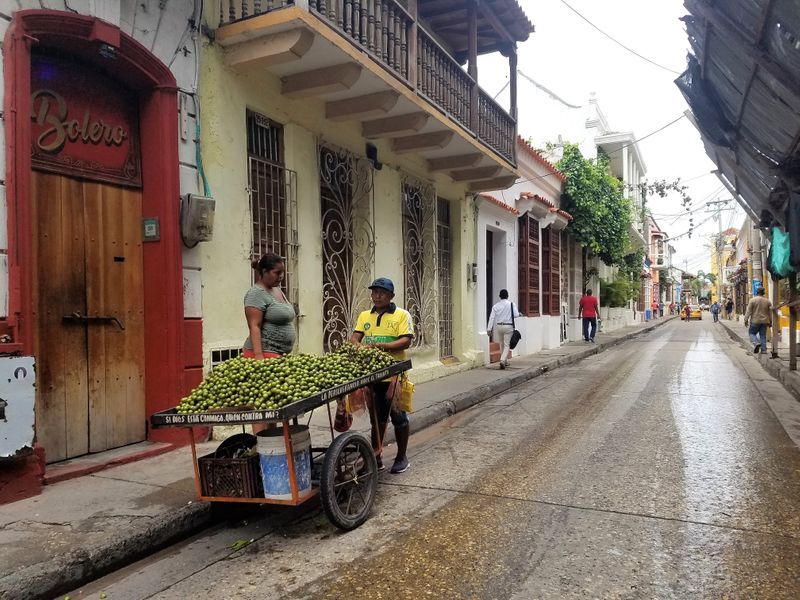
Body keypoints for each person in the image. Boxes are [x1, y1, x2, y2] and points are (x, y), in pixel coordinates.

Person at [351, 277, 414, 474]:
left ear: (391, 296)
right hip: (372, 376)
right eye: (374, 292)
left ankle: (401, 457)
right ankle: (375, 458)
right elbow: (355, 338)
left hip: (395, 375)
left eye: (382, 292)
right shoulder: (364, 316)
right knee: (376, 420)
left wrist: (382, 347)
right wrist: (359, 347)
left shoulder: (402, 315)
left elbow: (406, 341)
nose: (377, 296)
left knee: (399, 418)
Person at [243, 253, 296, 359]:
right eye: (277, 273)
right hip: (263, 354)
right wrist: (258, 356)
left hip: (279, 354)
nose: (281, 276)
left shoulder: (276, 289)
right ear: (264, 272)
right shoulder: (256, 294)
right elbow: (254, 326)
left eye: (282, 272)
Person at [487, 289, 522, 369]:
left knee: (501, 344)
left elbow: (491, 318)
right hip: (508, 326)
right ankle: (502, 360)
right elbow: (516, 315)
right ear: (507, 296)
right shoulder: (511, 304)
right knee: (507, 345)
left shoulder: (495, 306)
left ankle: (505, 361)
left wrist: (489, 329)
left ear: (500, 296)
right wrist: (519, 314)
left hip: (499, 326)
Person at [744, 287, 779, 355]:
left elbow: (748, 311)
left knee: (751, 333)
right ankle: (763, 350)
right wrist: (770, 321)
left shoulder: (752, 300)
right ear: (763, 292)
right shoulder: (767, 301)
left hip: (755, 321)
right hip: (765, 321)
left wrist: (745, 319)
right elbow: (770, 313)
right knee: (763, 335)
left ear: (757, 292)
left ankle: (756, 343)